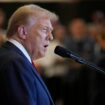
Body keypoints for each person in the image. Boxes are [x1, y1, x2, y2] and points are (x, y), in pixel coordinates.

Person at [0, 4, 57, 105]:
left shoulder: (16, 59)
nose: (51, 37)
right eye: (45, 29)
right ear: (22, 32)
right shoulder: (15, 62)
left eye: (51, 31)